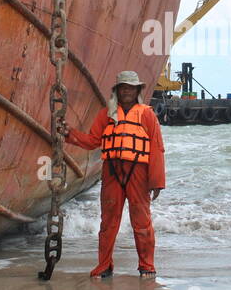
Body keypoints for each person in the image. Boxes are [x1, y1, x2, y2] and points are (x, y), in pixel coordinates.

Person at [58, 71, 165, 278]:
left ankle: (147, 266)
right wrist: (69, 134)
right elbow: (92, 141)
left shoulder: (147, 114)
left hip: (138, 173)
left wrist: (157, 181)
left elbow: (156, 148)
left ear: (137, 90)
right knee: (108, 222)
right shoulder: (105, 114)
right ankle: (104, 265)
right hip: (112, 172)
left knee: (142, 222)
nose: (127, 91)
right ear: (117, 90)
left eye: (131, 87)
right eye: (123, 87)